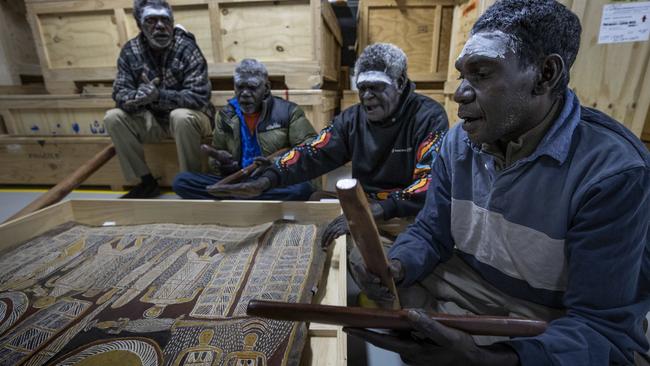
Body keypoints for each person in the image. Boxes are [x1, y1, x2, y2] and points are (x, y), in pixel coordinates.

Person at [345, 1, 650, 365]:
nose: (460, 93)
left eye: (482, 73)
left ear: (545, 74)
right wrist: (397, 265)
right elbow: (430, 231)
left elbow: (600, 326)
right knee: (361, 255)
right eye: (462, 75)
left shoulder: (612, 171)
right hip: (469, 283)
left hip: (548, 315)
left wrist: (487, 358)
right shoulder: (459, 142)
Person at [208, 43, 449, 242]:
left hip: (406, 211)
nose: (366, 96)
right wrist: (268, 178)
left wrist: (375, 212)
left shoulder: (428, 116)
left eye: (376, 87)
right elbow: (314, 151)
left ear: (400, 83)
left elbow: (430, 181)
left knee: (394, 259)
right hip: (365, 204)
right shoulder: (351, 119)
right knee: (316, 215)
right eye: (362, 88)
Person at [104, 0, 215, 199]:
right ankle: (145, 182)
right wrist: (137, 97)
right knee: (113, 117)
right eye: (151, 21)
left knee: (180, 116)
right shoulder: (130, 51)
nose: (160, 26)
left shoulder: (187, 48)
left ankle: (192, 182)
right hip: (152, 121)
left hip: (192, 120)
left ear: (172, 23)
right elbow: (119, 92)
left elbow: (199, 97)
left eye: (165, 20)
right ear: (139, 24)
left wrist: (159, 96)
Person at [172, 59, 317, 200]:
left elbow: (311, 149)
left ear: (266, 88)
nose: (245, 93)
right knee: (182, 182)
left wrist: (276, 163)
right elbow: (216, 157)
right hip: (238, 179)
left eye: (252, 87)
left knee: (302, 189)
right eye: (240, 87)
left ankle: (236, 196)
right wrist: (222, 164)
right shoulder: (226, 115)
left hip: (272, 180)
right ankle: (243, 194)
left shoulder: (288, 111)